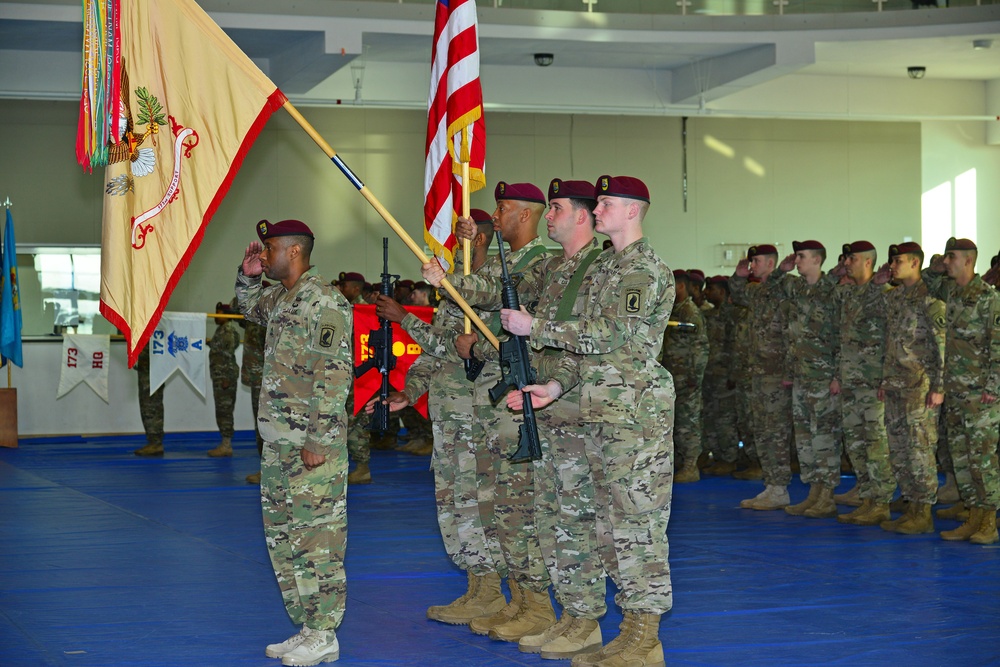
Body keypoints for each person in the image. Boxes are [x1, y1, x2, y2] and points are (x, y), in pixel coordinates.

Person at [429, 179, 609, 658]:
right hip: (532, 401)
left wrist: (448, 279)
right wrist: (454, 273)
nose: (550, 216)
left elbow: (567, 333)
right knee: (517, 509)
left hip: (568, 406)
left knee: (545, 513)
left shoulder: (593, 267)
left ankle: (554, 608)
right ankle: (528, 600)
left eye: (556, 209)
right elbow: (497, 294)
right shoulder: (553, 266)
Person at [500, 175, 674, 667]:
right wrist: (553, 389)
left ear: (633, 211)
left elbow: (611, 334)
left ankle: (646, 637)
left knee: (638, 525)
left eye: (606, 203)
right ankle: (625, 629)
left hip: (635, 417)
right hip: (599, 412)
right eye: (596, 203)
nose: (596, 210)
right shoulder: (606, 271)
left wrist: (536, 327)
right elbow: (584, 352)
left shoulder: (643, 269)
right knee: (607, 527)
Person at [424, 181, 558, 644]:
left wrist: (448, 280)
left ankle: (531, 601)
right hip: (485, 402)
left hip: (516, 403)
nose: (495, 215)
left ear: (526, 214)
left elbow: (505, 303)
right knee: (489, 501)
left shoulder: (539, 262)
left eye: (503, 209)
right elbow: (485, 288)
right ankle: (496, 592)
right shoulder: (507, 258)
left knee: (517, 503)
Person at [369, 209, 512, 625]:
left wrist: (404, 319)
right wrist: (407, 392)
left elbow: (462, 348)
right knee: (453, 506)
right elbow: (436, 353)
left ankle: (492, 591)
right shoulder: (453, 291)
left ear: (479, 240)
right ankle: (477, 588)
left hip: (478, 417)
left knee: (479, 505)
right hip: (449, 419)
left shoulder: (497, 290)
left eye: (460, 240)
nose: (449, 249)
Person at [236, 218, 353, 665]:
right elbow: (249, 307)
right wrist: (248, 276)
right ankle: (309, 626)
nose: (264, 256)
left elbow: (334, 374)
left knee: (317, 540)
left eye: (269, 250)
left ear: (295, 251)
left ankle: (324, 633)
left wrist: (319, 439)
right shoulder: (283, 297)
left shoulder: (324, 302)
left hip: (310, 443)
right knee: (284, 538)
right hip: (278, 441)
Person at [923, 238, 1000, 544]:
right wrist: (937, 265)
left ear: (968, 260)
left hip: (980, 394)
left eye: (951, 257)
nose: (947, 261)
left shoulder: (989, 298)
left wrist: (993, 388)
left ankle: (989, 522)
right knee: (961, 460)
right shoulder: (953, 294)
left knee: (983, 461)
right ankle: (973, 516)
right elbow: (928, 282)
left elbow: (998, 346)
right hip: (955, 392)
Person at [877, 241, 945, 535]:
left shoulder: (930, 301)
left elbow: (940, 349)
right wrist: (884, 380)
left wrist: (938, 387)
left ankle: (923, 511)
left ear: (915, 263)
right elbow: (890, 345)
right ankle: (910, 504)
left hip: (919, 387)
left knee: (920, 450)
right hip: (895, 386)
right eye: (892, 261)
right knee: (899, 449)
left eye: (898, 261)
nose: (892, 266)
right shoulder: (894, 299)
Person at [777, 241, 841, 519]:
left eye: (801, 257)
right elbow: (766, 291)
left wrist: (838, 375)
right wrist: (782, 270)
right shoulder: (797, 290)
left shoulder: (834, 292)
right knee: (804, 439)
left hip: (824, 377)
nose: (797, 260)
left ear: (817, 260)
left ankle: (827, 495)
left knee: (824, 437)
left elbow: (842, 335)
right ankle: (813, 491)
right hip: (801, 377)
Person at [832, 241, 894, 526]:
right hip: (850, 382)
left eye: (852, 259)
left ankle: (881, 502)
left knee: (876, 445)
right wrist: (837, 375)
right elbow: (840, 339)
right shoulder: (846, 293)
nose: (847, 263)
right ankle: (867, 498)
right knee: (856, 445)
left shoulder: (884, 295)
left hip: (872, 384)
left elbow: (894, 340)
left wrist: (886, 379)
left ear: (868, 262)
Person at [730, 245, 793, 510]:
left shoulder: (785, 287)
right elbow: (737, 293)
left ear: (770, 263)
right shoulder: (757, 292)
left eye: (756, 261)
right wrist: (738, 275)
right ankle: (771, 485)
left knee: (776, 431)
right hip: (758, 373)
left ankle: (780, 488)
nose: (751, 265)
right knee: (763, 431)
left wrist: (779, 273)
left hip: (777, 373)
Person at [660, 269, 708, 483]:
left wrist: (694, 376)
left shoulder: (690, 311)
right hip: (673, 377)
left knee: (688, 423)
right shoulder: (673, 310)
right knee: (677, 422)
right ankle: (680, 462)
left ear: (680, 285)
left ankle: (691, 466)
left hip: (687, 378)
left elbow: (700, 347)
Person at [701, 275, 740, 476]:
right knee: (711, 418)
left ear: (722, 292)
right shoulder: (709, 315)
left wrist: (733, 374)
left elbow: (735, 346)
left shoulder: (731, 315)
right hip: (710, 376)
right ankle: (717, 456)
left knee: (725, 419)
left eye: (712, 288)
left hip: (725, 376)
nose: (707, 292)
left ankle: (729, 458)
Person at [207, 300, 241, 458]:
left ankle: (226, 445)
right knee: (222, 410)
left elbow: (227, 356)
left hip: (225, 378)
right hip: (221, 377)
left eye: (219, 313)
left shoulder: (227, 331)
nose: (216, 316)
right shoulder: (221, 330)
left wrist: (226, 378)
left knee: (225, 411)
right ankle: (224, 442)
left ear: (226, 315)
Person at [240, 314, 267, 484]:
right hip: (256, 378)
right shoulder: (253, 319)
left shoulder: (265, 321)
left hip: (263, 380)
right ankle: (266, 469)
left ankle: (268, 470)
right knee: (260, 427)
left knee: (264, 428)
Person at [132, 344, 165, 456]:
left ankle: (155, 443)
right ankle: (153, 442)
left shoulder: (156, 330)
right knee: (147, 405)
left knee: (152, 405)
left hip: (152, 371)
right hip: (146, 370)